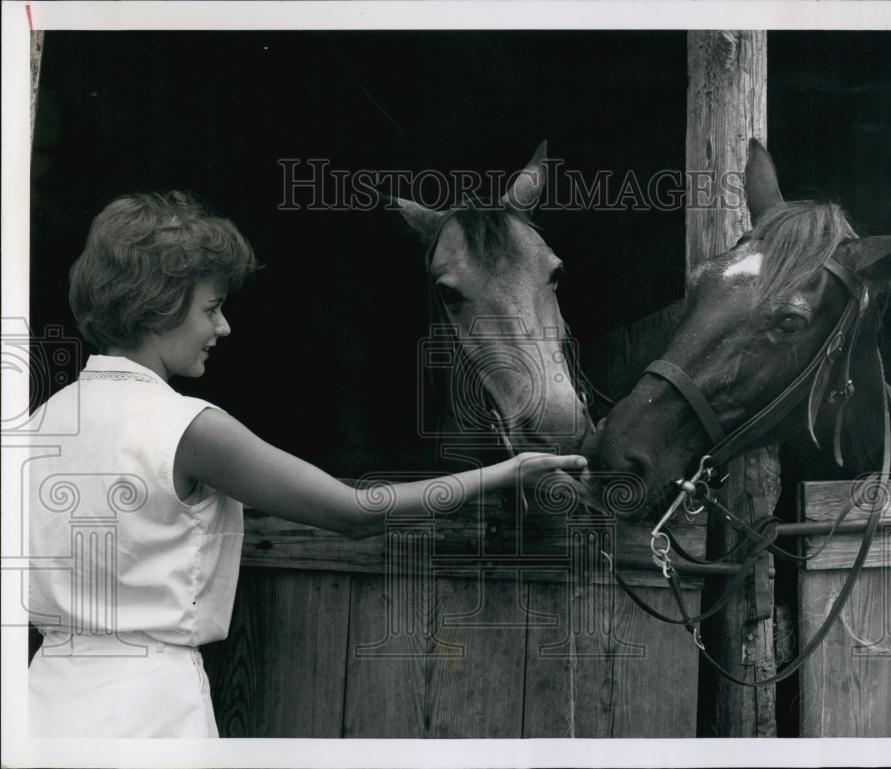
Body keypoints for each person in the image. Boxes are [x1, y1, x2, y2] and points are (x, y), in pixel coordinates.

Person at [27, 191, 586, 738]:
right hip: (147, 707)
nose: (223, 329)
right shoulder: (190, 428)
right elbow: (356, 511)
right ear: (159, 305)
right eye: (212, 308)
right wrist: (510, 471)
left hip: (42, 698)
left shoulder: (40, 424)